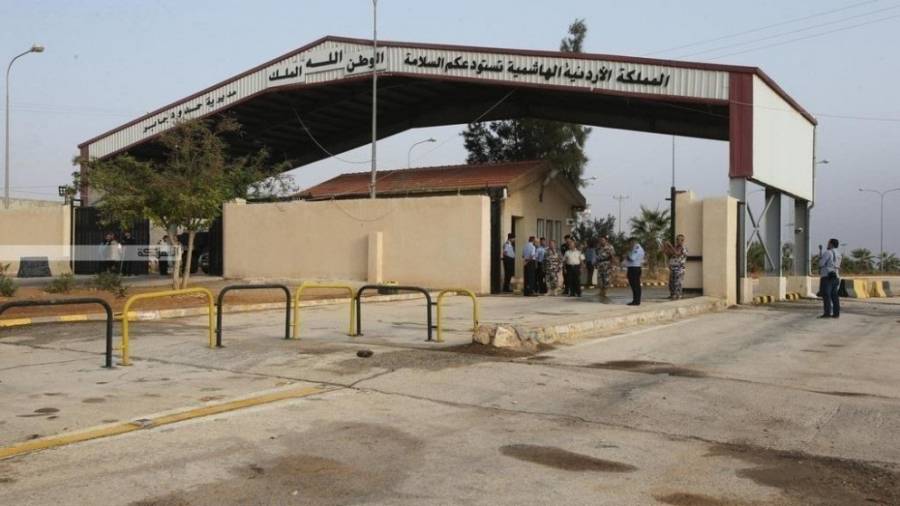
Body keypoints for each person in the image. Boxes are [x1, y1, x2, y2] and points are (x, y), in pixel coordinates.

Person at [818, 238, 842, 319]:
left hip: (827, 276)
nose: (827, 244)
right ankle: (836, 313)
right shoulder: (839, 254)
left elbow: (821, 263)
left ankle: (827, 313)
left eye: (828, 243)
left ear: (831, 244)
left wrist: (820, 259)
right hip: (836, 276)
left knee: (826, 295)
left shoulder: (827, 252)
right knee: (834, 296)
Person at [663, 234, 688, 300]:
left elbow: (677, 254)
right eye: (677, 239)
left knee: (678, 283)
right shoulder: (675, 247)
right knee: (671, 283)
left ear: (682, 240)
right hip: (672, 268)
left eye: (679, 239)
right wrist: (665, 247)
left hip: (679, 269)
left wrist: (670, 246)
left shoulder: (684, 248)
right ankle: (673, 295)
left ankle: (678, 295)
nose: (677, 241)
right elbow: (669, 254)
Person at [624, 237, 645, 306]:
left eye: (629, 243)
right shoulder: (638, 248)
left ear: (633, 242)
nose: (629, 245)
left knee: (635, 285)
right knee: (635, 285)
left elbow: (632, 258)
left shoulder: (636, 248)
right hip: (634, 268)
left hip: (634, 268)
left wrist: (627, 254)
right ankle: (636, 300)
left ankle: (636, 301)